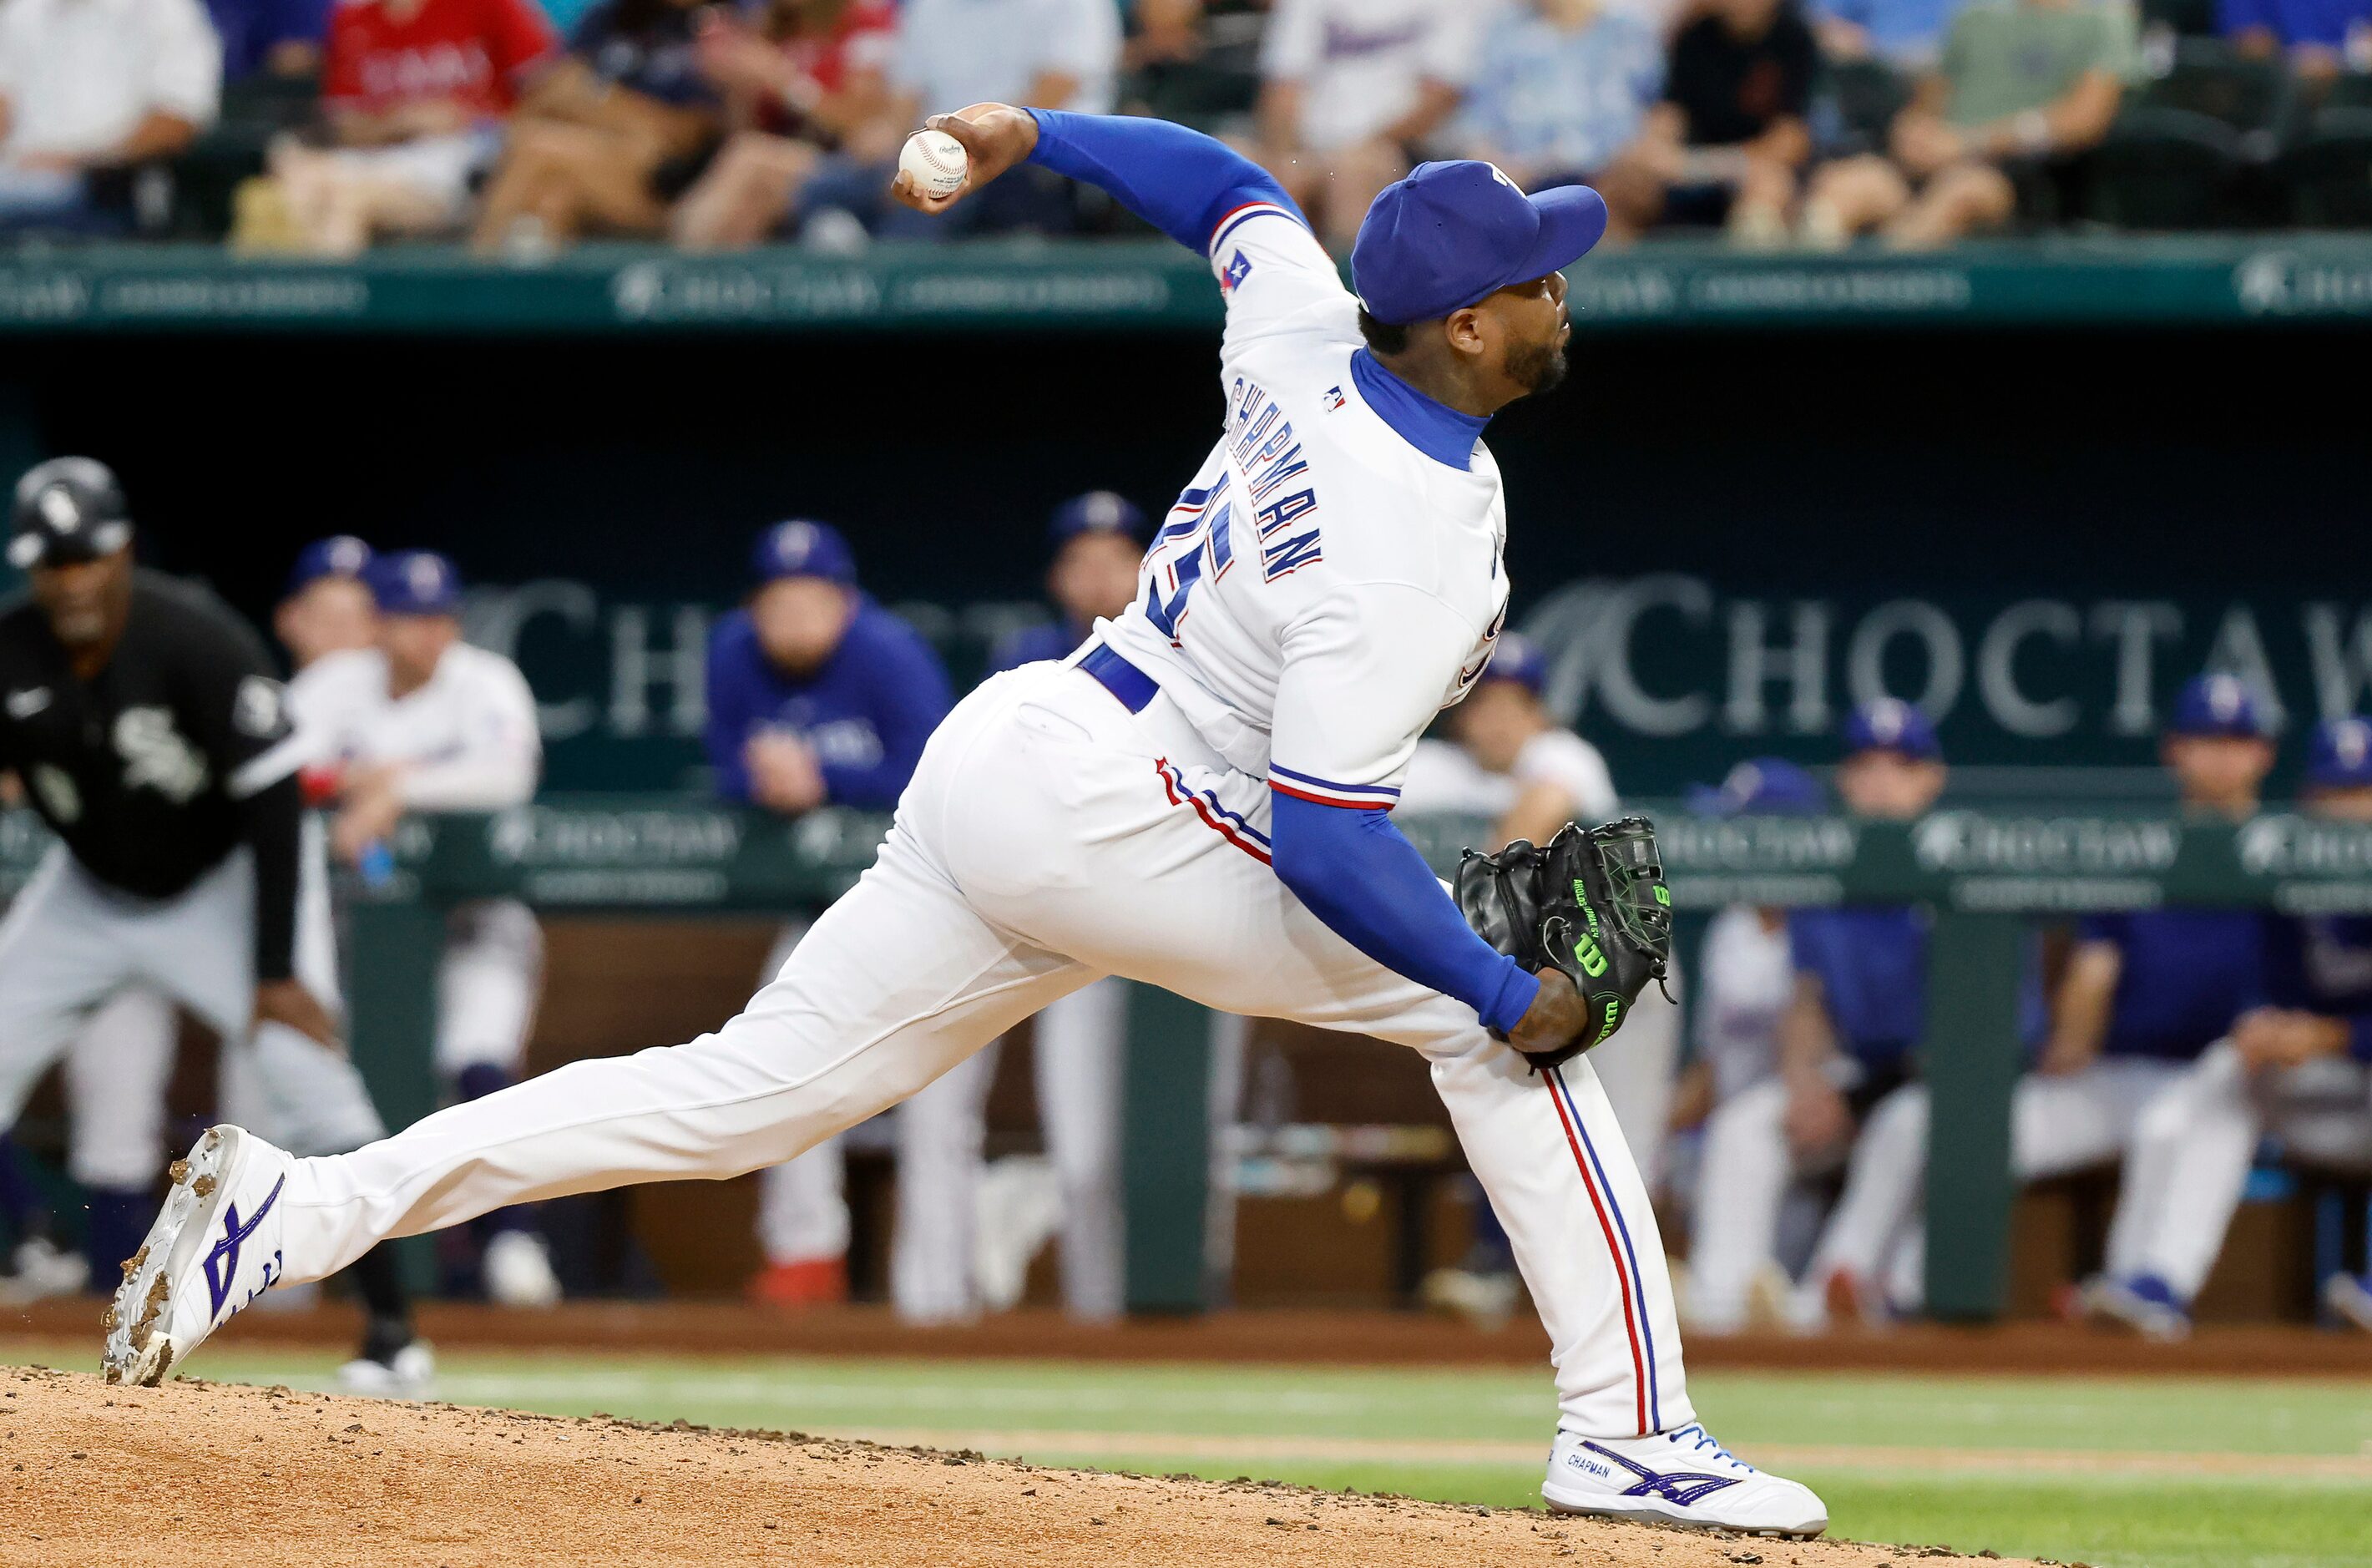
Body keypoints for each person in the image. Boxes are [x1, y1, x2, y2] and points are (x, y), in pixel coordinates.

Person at [111, 105, 1827, 1539]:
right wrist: (1481, 981)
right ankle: (1627, 1433)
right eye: (1538, 274)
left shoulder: (1310, 324)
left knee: (736, 1100)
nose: (1558, 287)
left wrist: (1027, 131)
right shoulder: (1401, 535)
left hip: (1028, 747)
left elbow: (1221, 188)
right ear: (1462, 324)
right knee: (1510, 1036)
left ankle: (302, 1207)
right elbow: (1319, 839)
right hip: (1129, 805)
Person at [0, 458, 427, 1396]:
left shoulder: (190, 636)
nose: (72, 579)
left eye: (87, 557)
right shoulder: (13, 651)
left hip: (224, 887)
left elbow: (275, 804)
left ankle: (394, 1333)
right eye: (52, 562)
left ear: (121, 552)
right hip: (89, 890)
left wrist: (275, 970)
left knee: (312, 1081)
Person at [1796, 675, 2273, 1328]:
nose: (2220, 755)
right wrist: (2070, 1032)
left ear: (2263, 754)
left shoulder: (2283, 855)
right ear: (2173, 750)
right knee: (1957, 1125)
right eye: (2203, 739)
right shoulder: (2139, 848)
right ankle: (1861, 1292)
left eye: (2235, 740)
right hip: (2115, 1074)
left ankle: (2144, 1289)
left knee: (2196, 1108)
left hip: (2234, 1076)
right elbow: (2093, 968)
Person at [288, 549, 558, 1309]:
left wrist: (398, 785)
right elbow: (277, 764)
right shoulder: (337, 685)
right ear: (377, 624)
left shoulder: (486, 681)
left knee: (476, 1062)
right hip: (359, 929)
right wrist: (351, 783)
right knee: (356, 1083)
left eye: (440, 618)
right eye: (411, 619)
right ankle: (350, 1262)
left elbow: (511, 777)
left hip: (479, 919)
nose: (429, 635)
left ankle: (513, 1236)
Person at [705, 520, 955, 1312]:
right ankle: (804, 1256)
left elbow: (938, 764)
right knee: (779, 1054)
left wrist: (830, 777)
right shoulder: (731, 651)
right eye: (777, 602)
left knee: (939, 1104)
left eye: (812, 600)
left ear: (845, 602)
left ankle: (939, 1297)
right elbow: (722, 762)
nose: (793, 619)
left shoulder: (888, 650)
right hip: (826, 908)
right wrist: (763, 782)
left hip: (941, 907)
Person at [1400, 632, 1681, 1328]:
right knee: (1510, 1112)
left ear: (1538, 712)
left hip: (1617, 978)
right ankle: (1501, 1274)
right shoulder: (1436, 769)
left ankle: (1640, 1299)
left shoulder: (1563, 755)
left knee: (1624, 1139)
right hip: (1525, 979)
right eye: (1483, 702)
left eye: (1514, 704)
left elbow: (1523, 828)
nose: (1496, 720)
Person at [2087, 713, 2372, 1339]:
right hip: (2334, 1100)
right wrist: (2265, 1028)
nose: (2347, 814)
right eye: (2331, 796)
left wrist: (2331, 1036)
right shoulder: (2292, 888)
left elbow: (2333, 1031)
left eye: (2361, 795)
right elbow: (2268, 985)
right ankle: (2160, 1282)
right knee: (2225, 1071)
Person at [1684, 701, 1945, 1333]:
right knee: (1746, 1126)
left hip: (1936, 1088)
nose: (1881, 781)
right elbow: (1807, 1001)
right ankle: (1720, 1309)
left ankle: (1824, 1300)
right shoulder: (1829, 881)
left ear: (1930, 779)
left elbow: (1966, 1042)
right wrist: (1807, 1083)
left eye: (1900, 766)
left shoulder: (1954, 867)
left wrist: (1851, 1102)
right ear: (1846, 782)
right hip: (1854, 1077)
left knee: (1908, 1125)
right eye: (1865, 765)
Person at [1661, 758, 1826, 1313]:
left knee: (1744, 1142)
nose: (1727, 842)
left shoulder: (1826, 914)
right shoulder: (1732, 923)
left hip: (1814, 1122)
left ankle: (1719, 1306)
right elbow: (1708, 1061)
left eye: (1742, 829)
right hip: (1730, 1137)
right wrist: (1654, 1132)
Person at [1794, 0, 2137, 250]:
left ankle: (1879, 295)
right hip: (1938, 162)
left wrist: (1970, 143)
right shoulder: (1974, 15)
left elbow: (2084, 121)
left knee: (1959, 194)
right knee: (1847, 186)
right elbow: (1929, 103)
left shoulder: (2105, 17)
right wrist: (1913, 133)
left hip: (2026, 176)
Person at [260, 0, 558, 255]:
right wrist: (404, 121)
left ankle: (325, 309)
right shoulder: (354, 19)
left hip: (463, 161)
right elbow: (343, 124)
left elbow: (550, 88)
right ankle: (299, 304)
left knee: (348, 202)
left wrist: (482, 121)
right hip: (379, 155)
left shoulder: (483, 4)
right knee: (294, 164)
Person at [468, 0, 727, 251]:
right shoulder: (610, 18)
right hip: (602, 152)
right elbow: (551, 90)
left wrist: (603, 104)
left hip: (673, 184)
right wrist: (617, 115)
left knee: (536, 148)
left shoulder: (717, 23)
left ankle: (473, 276)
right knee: (553, 199)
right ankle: (530, 291)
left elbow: (691, 134)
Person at [1254, 0, 1483, 249]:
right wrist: (1287, 156)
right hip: (1314, 148)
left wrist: (1357, 148)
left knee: (1353, 170)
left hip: (1406, 150)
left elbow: (1439, 98)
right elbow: (1284, 89)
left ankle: (1354, 284)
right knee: (1256, 169)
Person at [1597, 0, 1816, 245]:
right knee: (1624, 184)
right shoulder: (1695, 37)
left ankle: (1749, 277)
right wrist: (1652, 149)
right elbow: (1671, 115)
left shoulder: (1795, 39)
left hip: (1753, 173)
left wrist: (1706, 164)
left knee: (1768, 188)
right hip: (1693, 175)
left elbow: (1791, 141)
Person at [0, 0, 220, 233]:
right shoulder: (22, 11)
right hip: (19, 180)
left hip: (108, 192)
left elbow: (179, 119)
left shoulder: (167, 10)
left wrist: (83, 162)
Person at [1450, 0, 1666, 202]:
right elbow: (1479, 123)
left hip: (1611, 177)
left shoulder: (1628, 31)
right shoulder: (1503, 32)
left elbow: (1659, 113)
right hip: (1521, 183)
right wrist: (1499, 175)